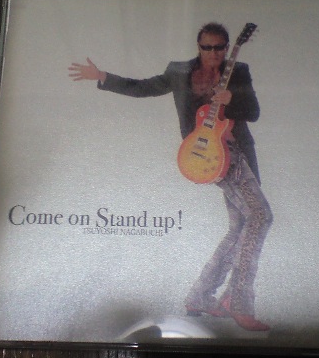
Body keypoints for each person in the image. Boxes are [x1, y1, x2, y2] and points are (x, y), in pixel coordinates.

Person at [68, 22, 273, 331]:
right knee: (260, 216)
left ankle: (200, 296)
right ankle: (239, 302)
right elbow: (142, 88)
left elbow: (253, 111)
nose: (214, 52)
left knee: (242, 225)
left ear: (227, 46)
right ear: (198, 47)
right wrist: (102, 76)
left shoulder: (238, 71)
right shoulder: (179, 72)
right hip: (208, 154)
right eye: (207, 47)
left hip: (239, 153)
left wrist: (231, 99)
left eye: (220, 47)